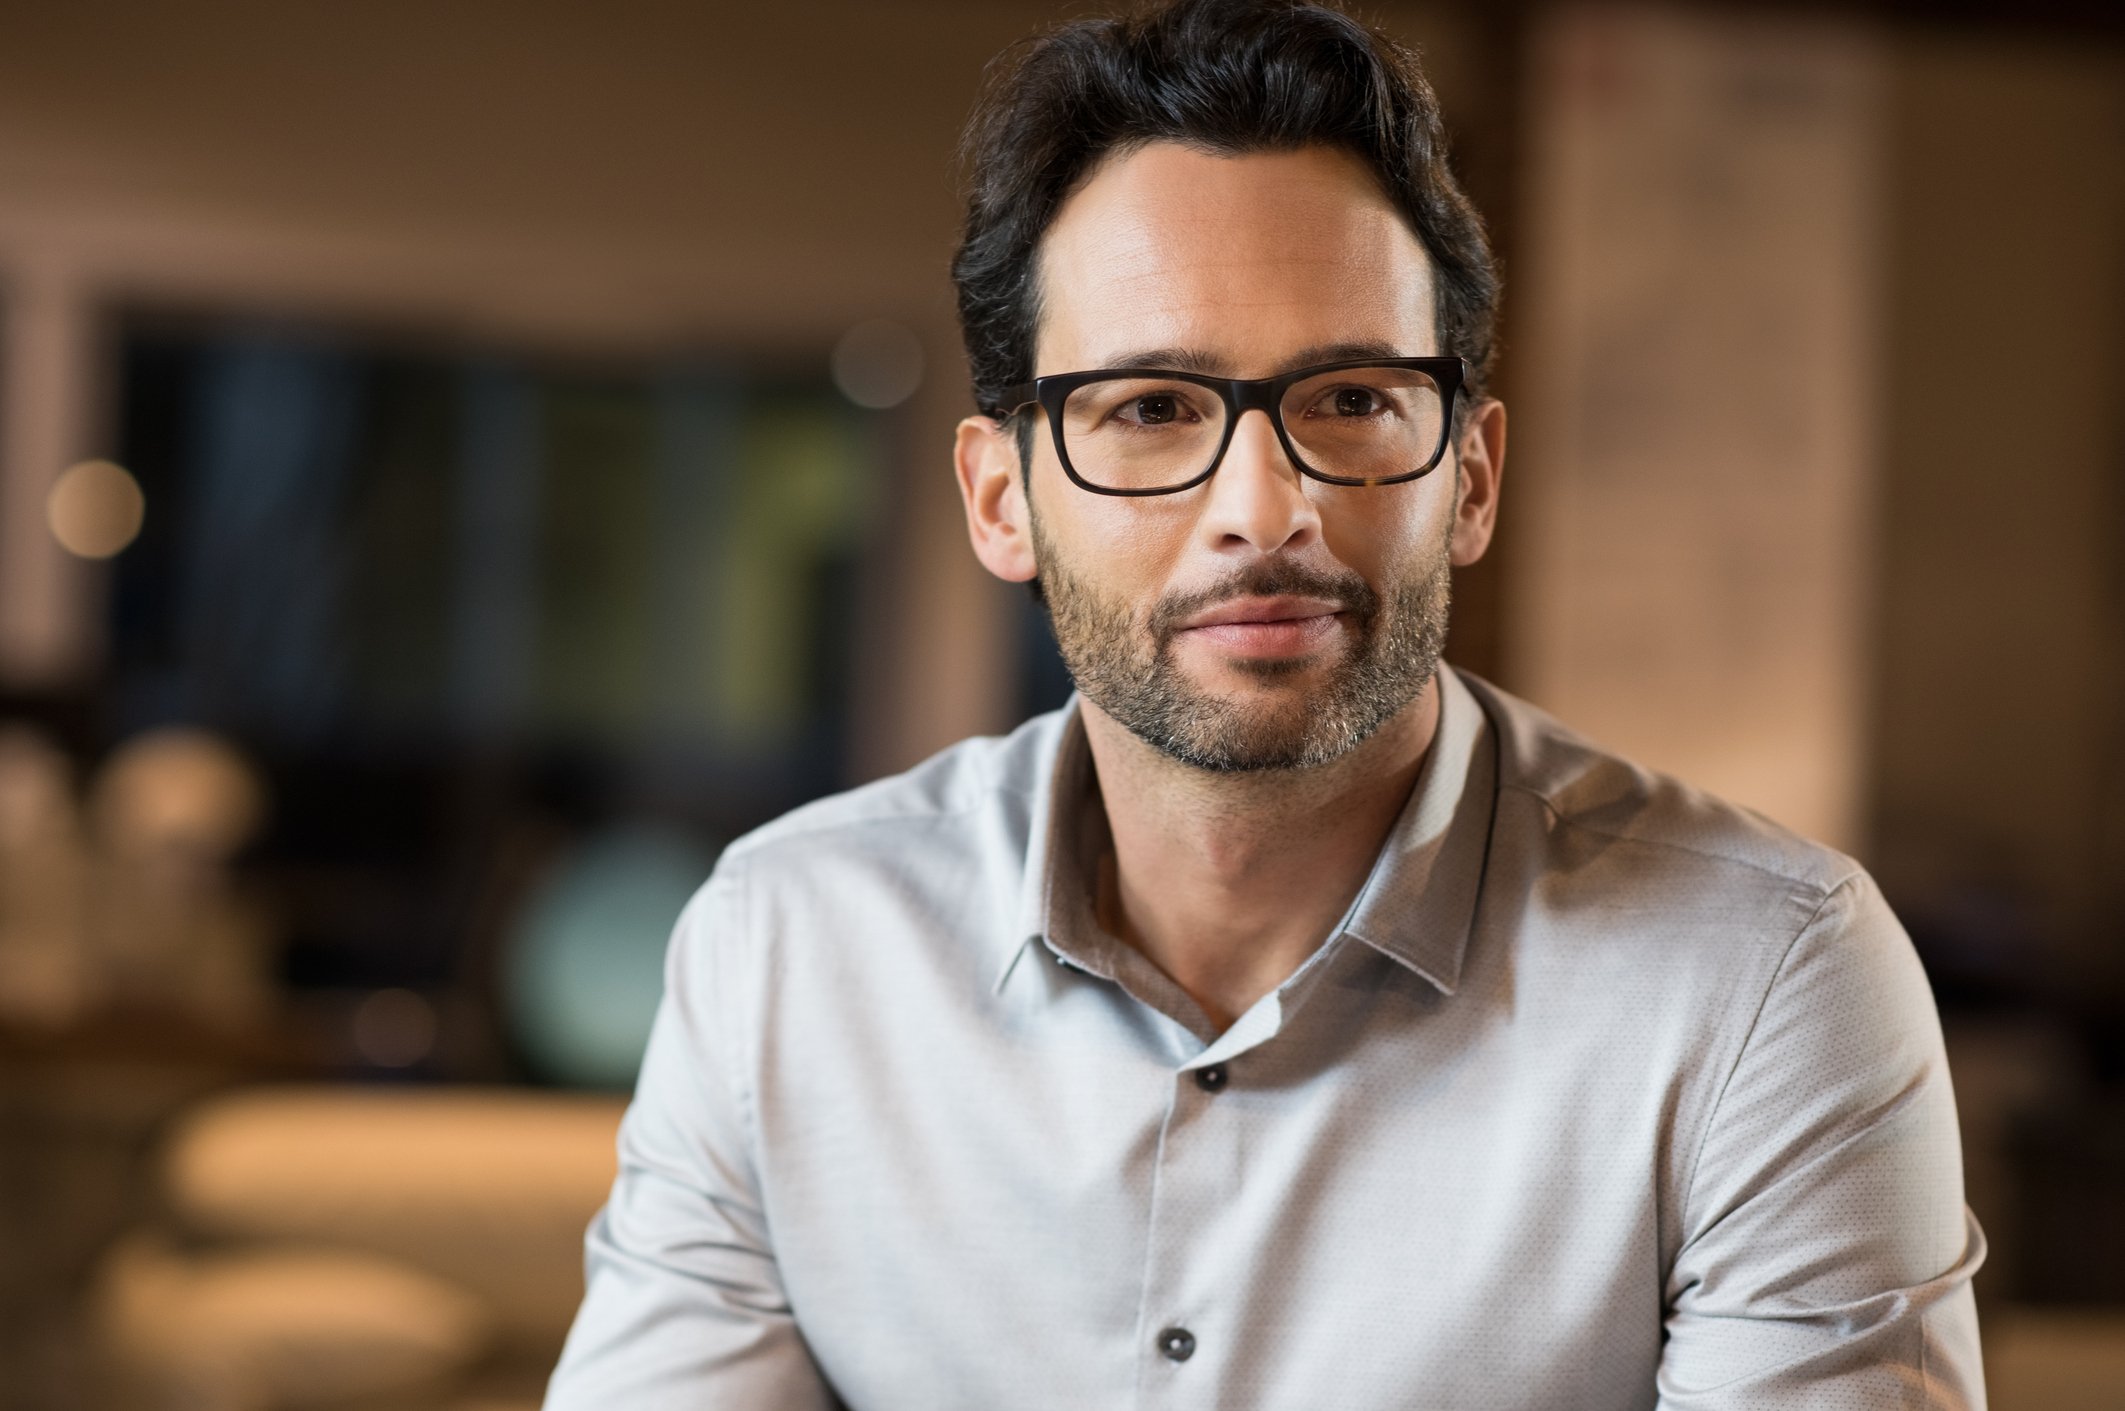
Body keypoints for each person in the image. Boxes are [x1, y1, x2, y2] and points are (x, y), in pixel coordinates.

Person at [544, 1, 1985, 1406]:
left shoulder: (1764, 979)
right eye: (1149, 408)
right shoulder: (786, 949)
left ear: (1470, 478)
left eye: (1351, 399)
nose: (1263, 507)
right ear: (1000, 500)